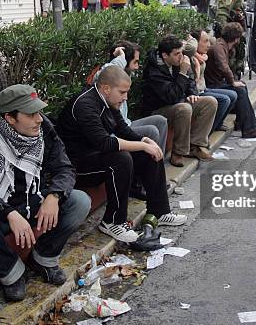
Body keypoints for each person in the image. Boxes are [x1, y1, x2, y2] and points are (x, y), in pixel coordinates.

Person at [0, 85, 91, 301]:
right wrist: (8, 213)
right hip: (0, 211)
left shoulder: (44, 129)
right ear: (10, 118)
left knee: (80, 201)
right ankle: (12, 273)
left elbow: (64, 168)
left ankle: (43, 259)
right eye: (31, 114)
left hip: (34, 202)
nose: (39, 119)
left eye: (38, 112)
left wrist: (54, 196)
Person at [57, 66, 187, 243]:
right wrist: (142, 145)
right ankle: (112, 221)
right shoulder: (85, 105)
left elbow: (123, 129)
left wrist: (145, 141)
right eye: (122, 92)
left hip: (97, 157)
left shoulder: (108, 100)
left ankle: (160, 210)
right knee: (121, 158)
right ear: (106, 88)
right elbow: (105, 142)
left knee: (149, 152)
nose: (125, 97)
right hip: (77, 167)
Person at [142, 35, 218, 167]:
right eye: (176, 54)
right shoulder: (154, 71)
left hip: (177, 103)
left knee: (210, 102)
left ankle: (195, 145)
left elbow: (190, 81)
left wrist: (192, 94)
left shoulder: (177, 62)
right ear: (165, 55)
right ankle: (178, 152)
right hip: (159, 109)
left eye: (181, 53)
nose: (180, 57)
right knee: (184, 108)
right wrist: (183, 72)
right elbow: (170, 97)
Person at [95, 41, 168, 154]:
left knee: (161, 121)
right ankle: (149, 167)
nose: (137, 67)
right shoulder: (108, 79)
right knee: (152, 131)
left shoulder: (125, 76)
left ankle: (158, 160)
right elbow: (101, 74)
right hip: (115, 131)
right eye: (135, 62)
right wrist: (121, 57)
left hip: (126, 124)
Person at [204, 23, 256, 139]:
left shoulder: (223, 46)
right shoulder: (219, 47)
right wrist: (232, 82)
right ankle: (250, 129)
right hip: (213, 85)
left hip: (216, 83)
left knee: (241, 86)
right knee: (240, 90)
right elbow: (223, 67)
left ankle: (241, 123)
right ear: (236, 39)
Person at [212, 0, 256, 79]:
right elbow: (221, 14)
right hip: (230, 36)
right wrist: (229, 35)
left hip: (235, 33)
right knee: (232, 63)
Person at [186, 30, 236, 132]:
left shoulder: (202, 57)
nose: (208, 45)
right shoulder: (191, 59)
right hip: (196, 92)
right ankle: (207, 132)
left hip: (203, 88)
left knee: (233, 95)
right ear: (196, 43)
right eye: (205, 41)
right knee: (224, 100)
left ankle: (217, 124)